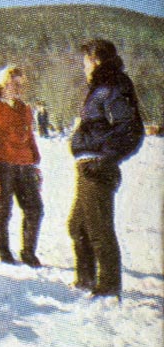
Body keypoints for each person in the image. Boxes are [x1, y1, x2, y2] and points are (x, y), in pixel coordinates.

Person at [68, 39, 144, 298]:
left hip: (98, 166)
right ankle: (86, 279)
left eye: (85, 60)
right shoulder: (100, 87)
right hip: (87, 164)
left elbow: (131, 128)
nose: (83, 66)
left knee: (98, 228)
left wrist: (106, 158)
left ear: (96, 60)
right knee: (78, 226)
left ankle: (108, 287)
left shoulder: (112, 85)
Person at [0, 65, 43, 267]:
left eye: (21, 85)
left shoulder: (24, 109)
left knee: (35, 209)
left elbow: (29, 137)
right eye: (14, 84)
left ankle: (28, 252)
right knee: (3, 210)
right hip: (3, 166)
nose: (19, 89)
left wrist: (35, 161)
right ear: (1, 85)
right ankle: (4, 252)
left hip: (25, 165)